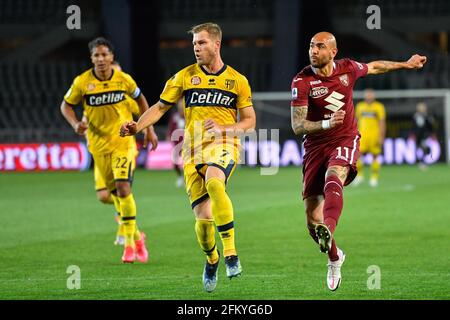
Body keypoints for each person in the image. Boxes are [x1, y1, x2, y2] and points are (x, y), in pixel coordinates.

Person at [120, 22, 256, 292]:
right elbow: (159, 108)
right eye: (194, 43)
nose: (196, 47)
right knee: (203, 222)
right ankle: (212, 258)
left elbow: (250, 121)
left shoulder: (238, 80)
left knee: (215, 182)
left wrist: (224, 129)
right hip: (193, 151)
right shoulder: (184, 77)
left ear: (217, 44)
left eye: (202, 42)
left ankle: (230, 252)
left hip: (224, 143)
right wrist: (138, 125)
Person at [290, 31, 426, 291]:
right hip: (315, 147)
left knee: (334, 175)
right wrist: (327, 122)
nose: (313, 51)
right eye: (311, 46)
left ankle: (328, 228)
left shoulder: (348, 69)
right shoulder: (301, 81)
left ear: (333, 51)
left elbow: (374, 67)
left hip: (345, 139)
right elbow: (297, 126)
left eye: (319, 46)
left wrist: (405, 64)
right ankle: (335, 257)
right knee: (311, 219)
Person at [60, 37, 159, 263]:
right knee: (109, 195)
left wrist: (148, 129)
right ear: (91, 58)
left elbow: (142, 102)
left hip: (123, 144)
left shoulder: (124, 81)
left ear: (112, 57)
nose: (101, 59)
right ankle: (136, 236)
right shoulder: (82, 82)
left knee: (123, 188)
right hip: (98, 146)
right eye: (96, 55)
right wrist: (76, 124)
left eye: (105, 54)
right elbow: (66, 105)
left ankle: (129, 245)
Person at [82, 61, 141, 246]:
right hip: (100, 150)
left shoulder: (126, 97)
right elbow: (86, 119)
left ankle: (127, 232)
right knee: (104, 196)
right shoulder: (93, 95)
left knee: (121, 190)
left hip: (122, 148)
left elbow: (142, 113)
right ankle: (131, 223)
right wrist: (86, 131)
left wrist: (145, 129)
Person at [353, 89, 386, 187]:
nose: (369, 97)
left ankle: (374, 178)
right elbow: (356, 121)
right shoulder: (360, 106)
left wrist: (382, 136)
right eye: (367, 95)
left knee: (375, 156)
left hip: (374, 136)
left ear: (374, 96)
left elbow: (382, 122)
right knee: (357, 155)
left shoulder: (379, 107)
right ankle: (360, 176)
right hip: (362, 136)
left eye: (370, 95)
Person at [411, 102, 436, 170]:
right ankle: (421, 162)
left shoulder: (427, 116)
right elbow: (413, 126)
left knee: (424, 148)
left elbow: (430, 126)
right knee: (420, 149)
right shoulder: (416, 116)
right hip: (418, 135)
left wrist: (432, 133)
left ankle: (422, 162)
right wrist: (413, 134)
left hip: (425, 135)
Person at [166, 99, 185, 188]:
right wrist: (169, 136)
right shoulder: (175, 117)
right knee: (175, 161)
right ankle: (180, 177)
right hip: (177, 143)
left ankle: (187, 178)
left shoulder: (189, 116)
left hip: (188, 144)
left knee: (189, 162)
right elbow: (171, 127)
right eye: (180, 107)